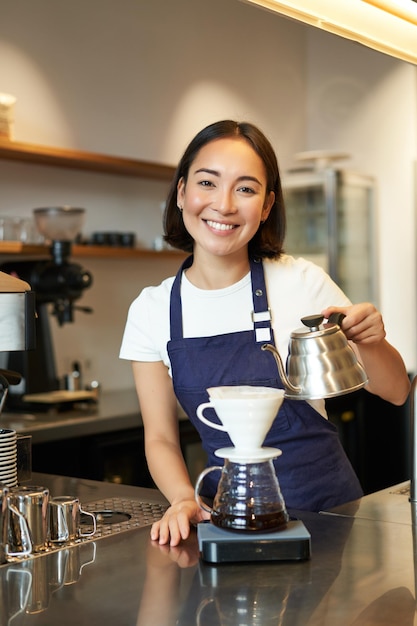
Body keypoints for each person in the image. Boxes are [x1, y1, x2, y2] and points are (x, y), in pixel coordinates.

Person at [120, 120, 410, 546]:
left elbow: (396, 391)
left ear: (267, 204)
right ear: (182, 193)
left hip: (329, 516)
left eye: (246, 188)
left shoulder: (303, 283)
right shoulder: (151, 310)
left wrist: (372, 340)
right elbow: (160, 438)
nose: (224, 205)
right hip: (233, 517)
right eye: (207, 182)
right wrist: (183, 498)